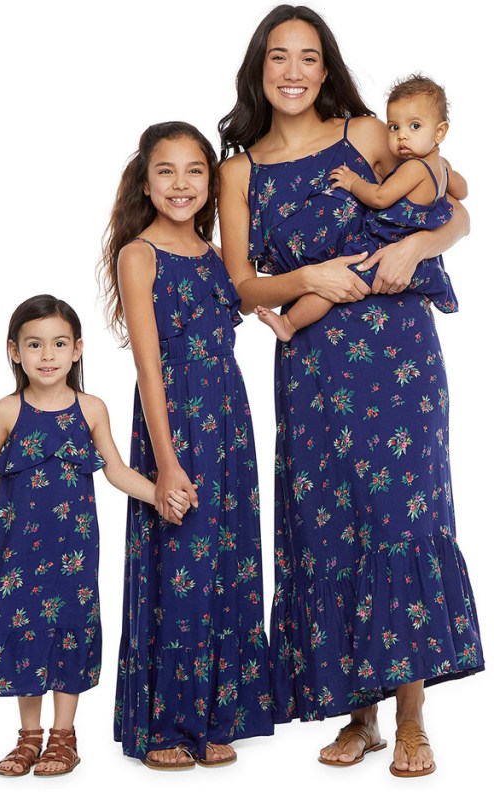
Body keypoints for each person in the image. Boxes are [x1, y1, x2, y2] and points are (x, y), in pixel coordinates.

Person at [217, 4, 483, 777]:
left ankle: (410, 717)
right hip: (312, 363)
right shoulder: (240, 169)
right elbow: (242, 285)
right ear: (259, 69)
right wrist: (307, 278)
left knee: (400, 518)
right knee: (335, 525)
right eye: (278, 57)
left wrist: (418, 246)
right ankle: (358, 714)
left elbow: (455, 206)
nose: (293, 71)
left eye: (308, 57)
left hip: (398, 355)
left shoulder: (370, 133)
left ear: (326, 68)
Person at [0, 294, 191, 777]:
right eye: (35, 345)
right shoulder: (6, 411)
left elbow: (117, 470)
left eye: (59, 344)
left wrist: (161, 494)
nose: (47, 355)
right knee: (24, 631)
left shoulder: (91, 409)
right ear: (14, 351)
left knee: (68, 630)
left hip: (72, 552)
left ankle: (64, 736)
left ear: (77, 350)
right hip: (15, 547)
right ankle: (29, 737)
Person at [101, 122, 273, 770]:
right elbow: (148, 365)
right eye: (166, 171)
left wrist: (287, 313)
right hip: (173, 420)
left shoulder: (213, 251)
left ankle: (216, 715)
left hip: (229, 417)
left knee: (227, 565)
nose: (181, 184)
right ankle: (168, 724)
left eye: (195, 170)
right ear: (146, 182)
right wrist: (166, 462)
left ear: (210, 180)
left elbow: (250, 299)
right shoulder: (139, 254)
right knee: (180, 570)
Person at [256, 73, 468, 340]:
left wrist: (353, 182)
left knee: (335, 283)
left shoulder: (413, 168)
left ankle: (289, 323)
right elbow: (462, 192)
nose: (402, 136)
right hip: (400, 251)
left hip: (382, 243)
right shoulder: (444, 167)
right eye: (394, 127)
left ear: (440, 131)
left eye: (414, 126)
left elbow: (380, 198)